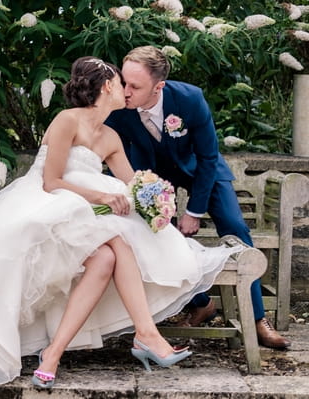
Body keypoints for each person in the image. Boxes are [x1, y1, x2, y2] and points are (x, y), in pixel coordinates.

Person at [0, 56, 239, 388]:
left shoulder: (110, 137)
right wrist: (102, 197)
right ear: (108, 86)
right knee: (116, 243)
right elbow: (51, 181)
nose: (127, 89)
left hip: (83, 212)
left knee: (107, 257)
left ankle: (54, 353)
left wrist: (153, 199)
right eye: (122, 83)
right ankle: (146, 334)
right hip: (45, 204)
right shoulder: (67, 120)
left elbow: (131, 183)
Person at [104, 45, 291, 349]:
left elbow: (207, 157)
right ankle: (201, 303)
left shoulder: (190, 99)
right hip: (150, 177)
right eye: (124, 81)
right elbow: (109, 152)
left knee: (235, 226)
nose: (125, 91)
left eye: (135, 86)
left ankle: (257, 320)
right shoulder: (119, 107)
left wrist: (194, 210)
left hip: (203, 172)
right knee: (153, 233)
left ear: (159, 86)